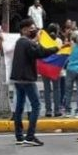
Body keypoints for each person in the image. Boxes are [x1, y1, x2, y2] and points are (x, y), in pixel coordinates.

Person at [11, 18, 58, 146]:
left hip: (17, 79)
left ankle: (19, 136)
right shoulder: (26, 43)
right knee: (36, 105)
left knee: (19, 107)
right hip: (27, 79)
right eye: (31, 28)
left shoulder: (20, 42)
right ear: (24, 30)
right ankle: (30, 136)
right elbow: (40, 53)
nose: (34, 30)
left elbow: (32, 49)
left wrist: (36, 40)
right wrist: (55, 49)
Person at [63, 30, 78, 118]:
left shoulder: (70, 46)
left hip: (70, 69)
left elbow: (66, 55)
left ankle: (68, 111)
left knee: (68, 91)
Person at [43, 23, 63, 117]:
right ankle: (57, 110)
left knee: (47, 89)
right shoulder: (59, 41)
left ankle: (48, 111)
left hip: (45, 67)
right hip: (55, 67)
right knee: (56, 89)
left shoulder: (44, 40)